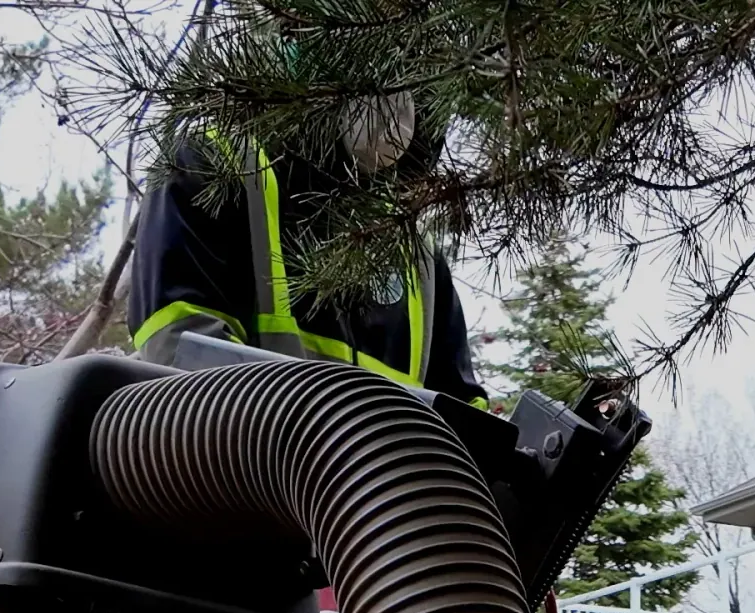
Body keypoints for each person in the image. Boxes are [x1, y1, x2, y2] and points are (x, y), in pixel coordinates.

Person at [128, 95, 487, 403]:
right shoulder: (213, 166)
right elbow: (182, 358)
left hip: (379, 466)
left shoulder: (421, 259)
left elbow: (464, 416)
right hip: (247, 459)